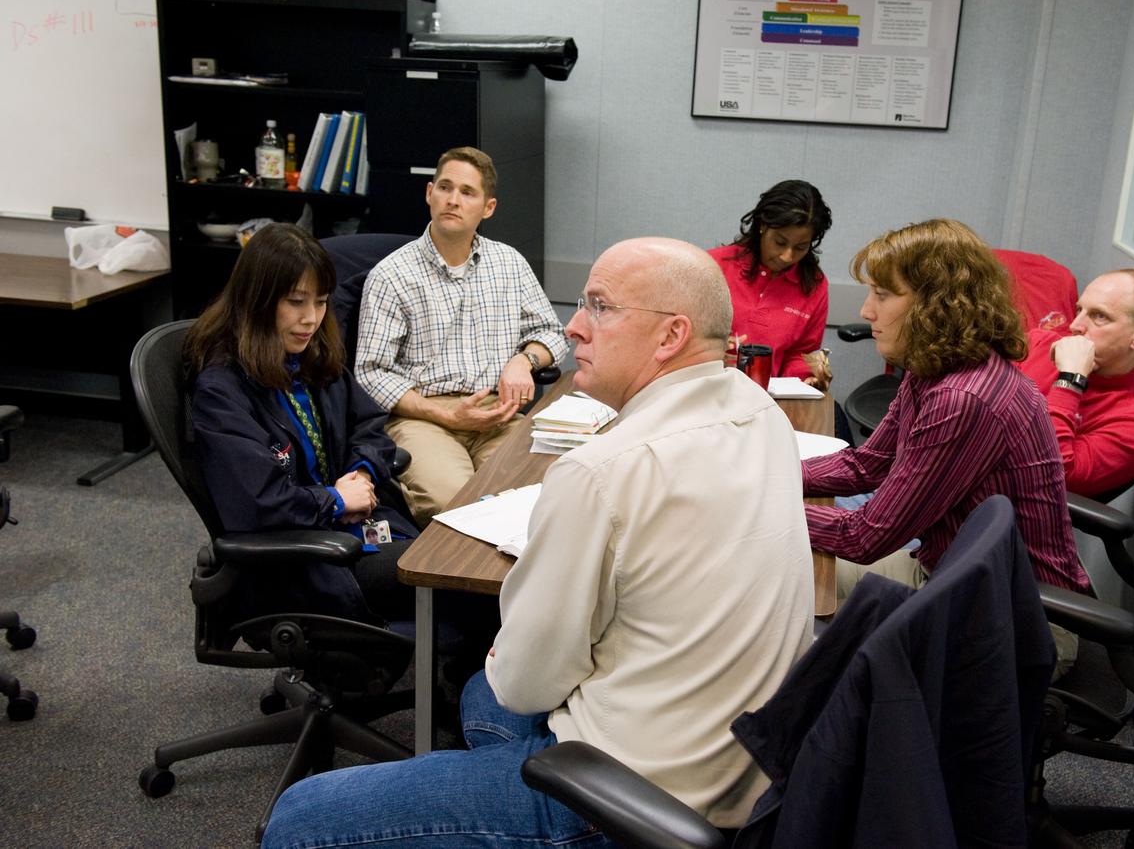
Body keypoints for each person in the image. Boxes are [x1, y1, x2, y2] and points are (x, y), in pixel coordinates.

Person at [261, 237, 816, 847]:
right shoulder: (762, 414)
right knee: (479, 693)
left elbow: (527, 683)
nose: (574, 327)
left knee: (300, 816)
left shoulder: (602, 471)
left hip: (629, 794)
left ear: (670, 336)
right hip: (743, 769)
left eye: (600, 307)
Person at [801, 219, 1088, 672]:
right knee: (780, 567)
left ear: (936, 305)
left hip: (1017, 621)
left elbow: (864, 536)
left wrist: (757, 503)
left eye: (882, 294)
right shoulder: (933, 368)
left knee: (780, 582)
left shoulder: (961, 398)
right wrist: (768, 472)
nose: (865, 311)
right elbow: (867, 466)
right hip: (957, 579)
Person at [185, 222, 417, 626]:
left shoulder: (312, 359)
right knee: (456, 583)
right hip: (304, 562)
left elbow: (370, 426)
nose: (311, 319)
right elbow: (258, 503)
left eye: (322, 301)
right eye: (295, 302)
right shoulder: (222, 391)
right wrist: (337, 500)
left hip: (355, 532)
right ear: (256, 301)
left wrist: (361, 474)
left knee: (467, 568)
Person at [355, 146, 569, 524]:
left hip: (496, 413)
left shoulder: (509, 264)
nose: (453, 200)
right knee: (456, 507)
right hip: (426, 418)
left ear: (488, 208)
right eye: (445, 187)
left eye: (467, 192)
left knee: (542, 497)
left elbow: (552, 332)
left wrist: (525, 360)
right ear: (429, 193)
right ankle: (453, 583)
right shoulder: (392, 275)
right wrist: (445, 414)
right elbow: (371, 372)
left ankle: (507, 585)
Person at [1013, 269, 1134, 499]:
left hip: (1012, 513)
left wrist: (1070, 381)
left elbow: (1047, 477)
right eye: (1079, 310)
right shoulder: (1041, 343)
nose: (1075, 325)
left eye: (1099, 316)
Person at [709, 179, 833, 387]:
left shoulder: (814, 287)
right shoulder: (713, 266)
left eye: (801, 247)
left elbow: (797, 355)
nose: (787, 256)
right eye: (780, 242)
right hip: (708, 390)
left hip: (767, 398)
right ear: (762, 226)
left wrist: (808, 375)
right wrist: (709, 348)